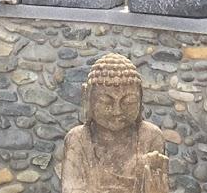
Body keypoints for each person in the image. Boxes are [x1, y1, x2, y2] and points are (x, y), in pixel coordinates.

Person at [62, 53, 169, 193]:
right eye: (106, 102)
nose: (117, 111)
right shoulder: (77, 138)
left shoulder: (150, 136)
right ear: (87, 97)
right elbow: (71, 189)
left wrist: (154, 181)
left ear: (140, 98)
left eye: (128, 102)